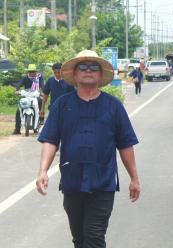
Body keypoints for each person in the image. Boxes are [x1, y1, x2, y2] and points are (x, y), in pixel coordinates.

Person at [36, 50, 140, 248]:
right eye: (82, 67)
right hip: (72, 182)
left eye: (94, 67)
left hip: (103, 182)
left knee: (94, 237)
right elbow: (50, 140)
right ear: (74, 75)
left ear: (100, 75)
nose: (88, 71)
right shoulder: (62, 105)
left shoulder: (113, 106)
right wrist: (43, 171)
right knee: (80, 239)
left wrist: (134, 178)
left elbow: (125, 144)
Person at [13, 64, 44, 135]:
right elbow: (19, 84)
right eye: (30, 71)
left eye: (33, 71)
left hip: (36, 95)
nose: (31, 73)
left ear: (36, 71)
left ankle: (41, 120)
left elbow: (42, 85)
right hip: (26, 96)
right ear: (28, 72)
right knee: (18, 110)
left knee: (41, 102)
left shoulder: (39, 77)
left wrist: (42, 92)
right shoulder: (25, 77)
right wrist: (17, 90)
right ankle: (17, 129)